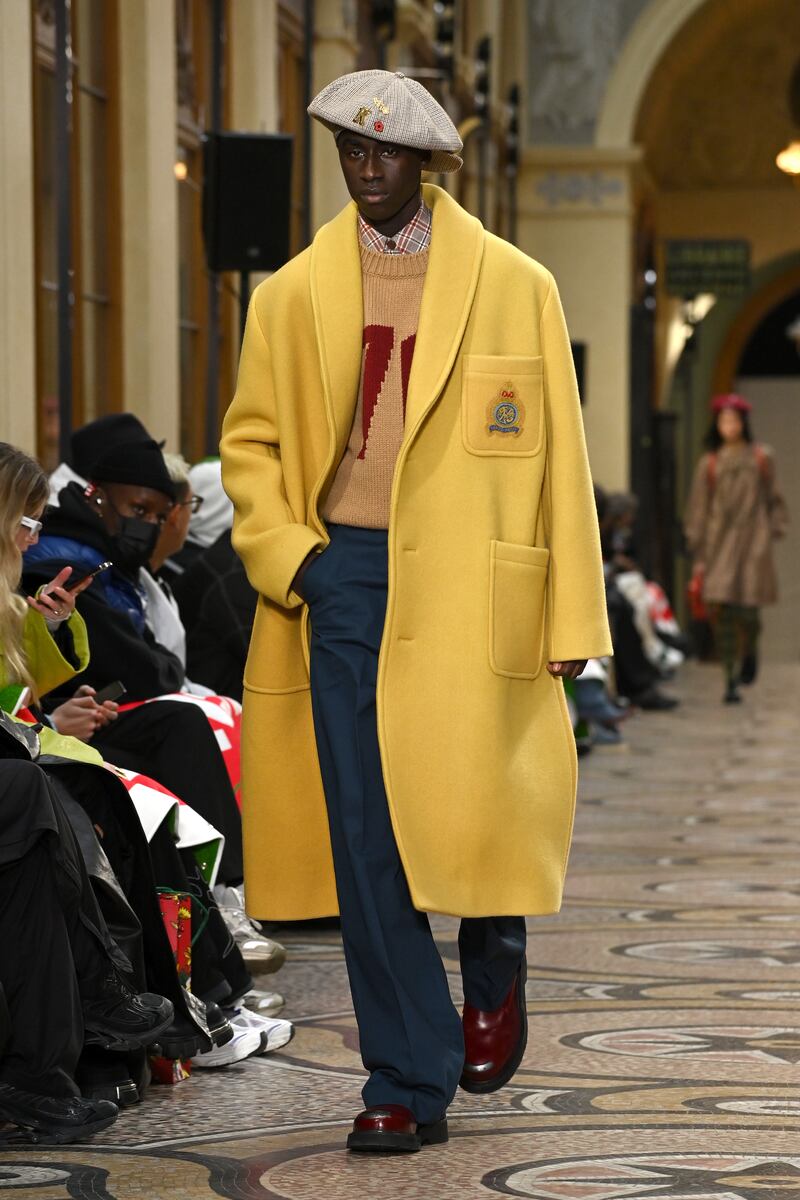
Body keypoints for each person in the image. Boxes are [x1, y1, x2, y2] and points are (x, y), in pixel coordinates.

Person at [221, 69, 611, 1153]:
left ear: (426, 162)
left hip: (474, 580)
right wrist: (296, 562)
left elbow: (560, 462)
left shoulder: (513, 284)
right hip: (341, 574)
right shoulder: (291, 294)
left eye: (385, 152)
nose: (365, 167)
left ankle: (495, 948)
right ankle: (404, 1074)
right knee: (366, 835)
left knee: (477, 797)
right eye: (349, 148)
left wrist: (572, 618)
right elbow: (249, 449)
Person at [685, 393, 789, 704]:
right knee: (722, 611)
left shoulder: (760, 457)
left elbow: (774, 498)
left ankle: (750, 652)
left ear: (743, 423)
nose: (729, 426)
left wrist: (772, 529)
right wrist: (698, 546)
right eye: (723, 420)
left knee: (749, 612)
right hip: (719, 544)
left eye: (734, 420)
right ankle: (730, 678)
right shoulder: (710, 462)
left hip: (752, 541)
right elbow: (698, 507)